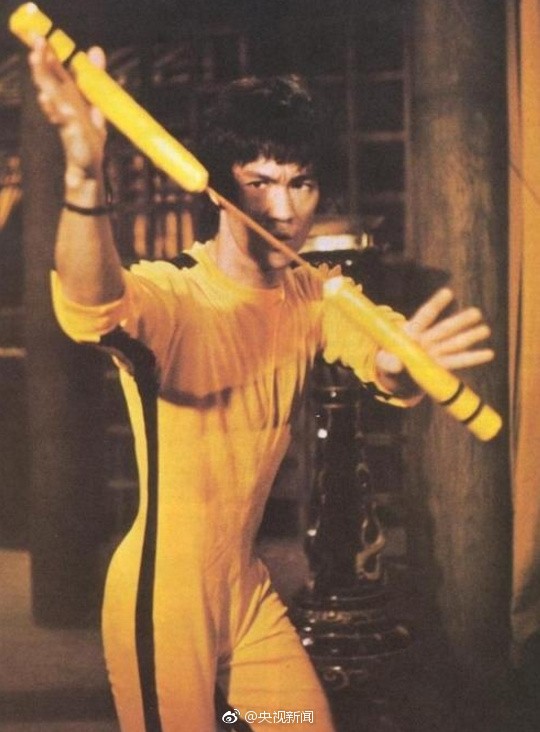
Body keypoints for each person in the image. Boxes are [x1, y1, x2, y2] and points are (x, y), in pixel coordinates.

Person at [28, 37, 494, 732]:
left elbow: (378, 352)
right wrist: (84, 177)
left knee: (300, 722)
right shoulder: (176, 294)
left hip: (245, 592)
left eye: (301, 183)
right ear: (220, 190)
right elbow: (93, 301)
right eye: (260, 181)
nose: (284, 208)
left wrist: (402, 363)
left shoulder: (313, 293)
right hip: (165, 599)